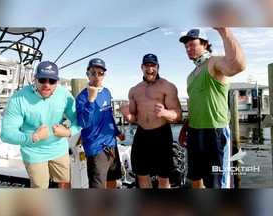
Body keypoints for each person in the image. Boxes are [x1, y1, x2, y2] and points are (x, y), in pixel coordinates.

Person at [178, 28, 246, 188]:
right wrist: (185, 127)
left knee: (216, 184)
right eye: (186, 46)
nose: (188, 49)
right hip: (194, 132)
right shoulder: (190, 76)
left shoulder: (214, 63)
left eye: (192, 44)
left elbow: (238, 65)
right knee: (195, 178)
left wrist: (224, 30)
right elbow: (197, 104)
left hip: (215, 132)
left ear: (205, 44)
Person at [0, 61, 81, 188]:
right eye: (42, 80)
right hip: (34, 152)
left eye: (52, 81)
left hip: (59, 149)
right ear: (35, 79)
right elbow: (6, 134)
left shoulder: (64, 94)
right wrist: (33, 137)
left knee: (65, 181)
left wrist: (68, 132)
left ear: (57, 82)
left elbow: (79, 120)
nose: (47, 85)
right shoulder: (18, 99)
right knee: (40, 188)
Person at [119, 53, 182, 188]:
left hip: (162, 134)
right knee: (141, 174)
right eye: (146, 65)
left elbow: (178, 115)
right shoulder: (134, 90)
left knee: (163, 177)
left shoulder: (167, 86)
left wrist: (164, 112)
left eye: (153, 65)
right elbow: (133, 118)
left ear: (158, 67)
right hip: (142, 134)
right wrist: (126, 115)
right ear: (142, 68)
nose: (150, 69)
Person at [76, 58, 125, 189]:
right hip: (96, 148)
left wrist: (117, 132)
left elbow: (109, 115)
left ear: (104, 75)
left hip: (111, 144)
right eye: (93, 72)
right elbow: (84, 123)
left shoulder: (107, 92)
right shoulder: (82, 97)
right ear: (87, 74)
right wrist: (91, 101)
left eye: (100, 73)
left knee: (112, 180)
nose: (97, 76)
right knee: (97, 187)